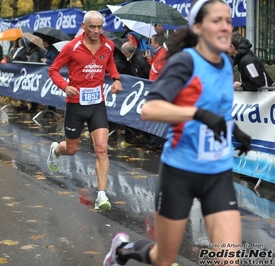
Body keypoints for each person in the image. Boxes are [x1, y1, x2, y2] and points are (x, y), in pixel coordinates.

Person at [104, 1, 251, 265]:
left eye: (228, 21)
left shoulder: (226, 65)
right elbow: (151, 109)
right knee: (164, 257)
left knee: (230, 260)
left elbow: (218, 108)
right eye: (216, 20)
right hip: (180, 173)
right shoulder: (185, 62)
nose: (225, 26)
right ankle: (122, 251)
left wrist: (235, 130)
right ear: (197, 27)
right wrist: (197, 114)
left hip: (218, 173)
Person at [47, 10, 122, 210]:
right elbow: (53, 70)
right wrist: (64, 86)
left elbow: (110, 63)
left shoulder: (108, 45)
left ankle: (101, 195)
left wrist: (116, 78)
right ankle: (56, 149)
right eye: (92, 27)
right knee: (71, 149)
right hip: (76, 104)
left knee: (102, 148)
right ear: (83, 26)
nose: (97, 31)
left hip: (97, 104)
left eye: (99, 27)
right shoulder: (72, 47)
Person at [41, 37, 59, 117]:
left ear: (46, 42)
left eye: (43, 42)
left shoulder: (53, 51)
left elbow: (55, 62)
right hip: (48, 74)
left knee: (51, 91)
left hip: (53, 74)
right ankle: (49, 109)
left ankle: (51, 110)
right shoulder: (49, 50)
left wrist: (46, 61)